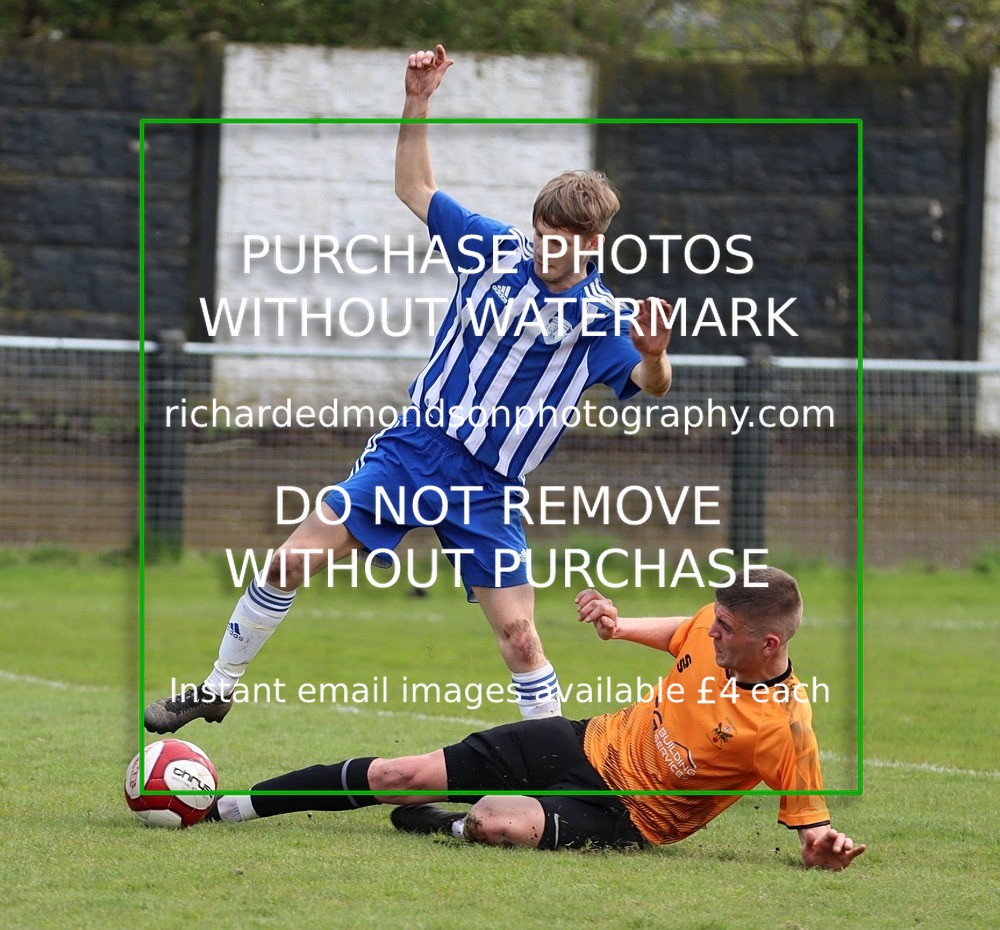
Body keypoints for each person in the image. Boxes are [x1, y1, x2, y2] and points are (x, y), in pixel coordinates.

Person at [144, 44, 673, 734]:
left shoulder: (602, 317)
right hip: (411, 452)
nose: (549, 252)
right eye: (543, 236)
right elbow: (415, 190)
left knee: (520, 637)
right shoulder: (490, 250)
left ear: (594, 244)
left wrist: (656, 353)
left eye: (565, 243)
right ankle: (217, 686)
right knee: (291, 559)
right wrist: (418, 98)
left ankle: (555, 770)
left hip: (487, 485)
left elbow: (647, 385)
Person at [205, 567, 866, 871]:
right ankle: (227, 808)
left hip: (627, 816)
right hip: (583, 740)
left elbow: (812, 827)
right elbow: (681, 631)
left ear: (769, 646)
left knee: (497, 818)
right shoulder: (709, 628)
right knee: (400, 770)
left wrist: (825, 848)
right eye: (715, 621)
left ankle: (451, 824)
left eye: (727, 630)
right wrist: (617, 625)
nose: (712, 634)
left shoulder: (785, 730)